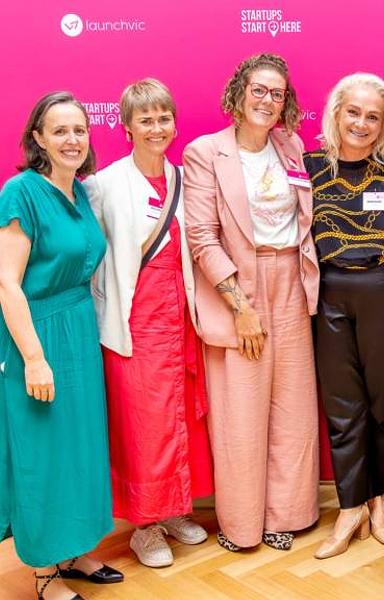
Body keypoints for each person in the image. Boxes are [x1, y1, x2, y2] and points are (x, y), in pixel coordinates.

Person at [182, 53, 320, 553]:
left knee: (293, 406)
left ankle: (287, 514)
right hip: (238, 285)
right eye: (259, 90)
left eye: (277, 93)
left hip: (291, 281)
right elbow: (201, 237)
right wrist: (241, 308)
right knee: (241, 411)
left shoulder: (291, 146)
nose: (267, 100)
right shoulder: (205, 152)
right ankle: (241, 525)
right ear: (238, 94)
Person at [84, 78, 214, 568]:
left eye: (164, 118)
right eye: (146, 120)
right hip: (135, 321)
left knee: (180, 418)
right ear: (127, 127)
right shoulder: (104, 184)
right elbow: (89, 253)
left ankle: (175, 509)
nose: (157, 128)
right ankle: (145, 525)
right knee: (146, 424)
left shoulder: (182, 179)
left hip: (180, 317)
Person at [0, 92, 122, 600]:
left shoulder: (80, 192)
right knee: (45, 453)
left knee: (80, 448)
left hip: (78, 329)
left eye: (80, 130)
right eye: (60, 131)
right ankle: (45, 571)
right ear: (39, 139)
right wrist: (33, 359)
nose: (72, 140)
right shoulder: (20, 193)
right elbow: (7, 283)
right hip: (38, 333)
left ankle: (74, 551)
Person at [303, 73, 384, 559]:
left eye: (373, 116)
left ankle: (378, 496)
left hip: (382, 292)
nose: (362, 123)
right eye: (353, 112)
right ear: (336, 112)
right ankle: (350, 507)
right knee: (342, 406)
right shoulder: (308, 165)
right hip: (328, 292)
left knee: (380, 401)